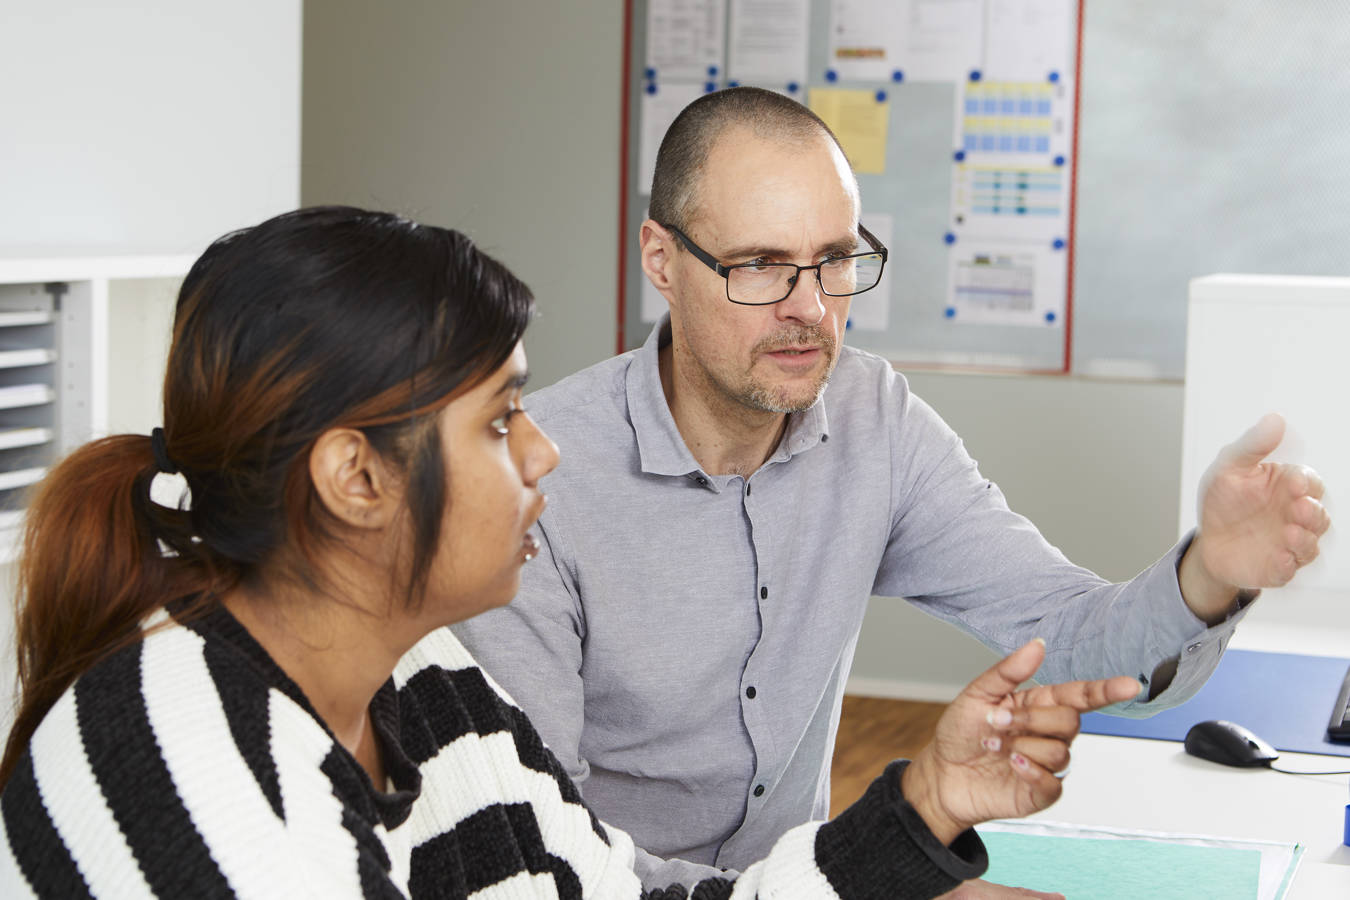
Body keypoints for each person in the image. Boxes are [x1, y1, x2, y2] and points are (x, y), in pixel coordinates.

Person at [0, 206, 1139, 898]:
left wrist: (926, 801)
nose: (545, 454)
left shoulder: (438, 698)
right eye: (500, 421)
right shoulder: (186, 771)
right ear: (356, 479)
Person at [451, 87, 1332, 893]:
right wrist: (858, 884)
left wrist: (1208, 575)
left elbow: (1067, 640)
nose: (811, 309)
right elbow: (538, 855)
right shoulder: (536, 484)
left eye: (835, 259)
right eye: (760, 265)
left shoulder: (873, 417)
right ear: (660, 258)